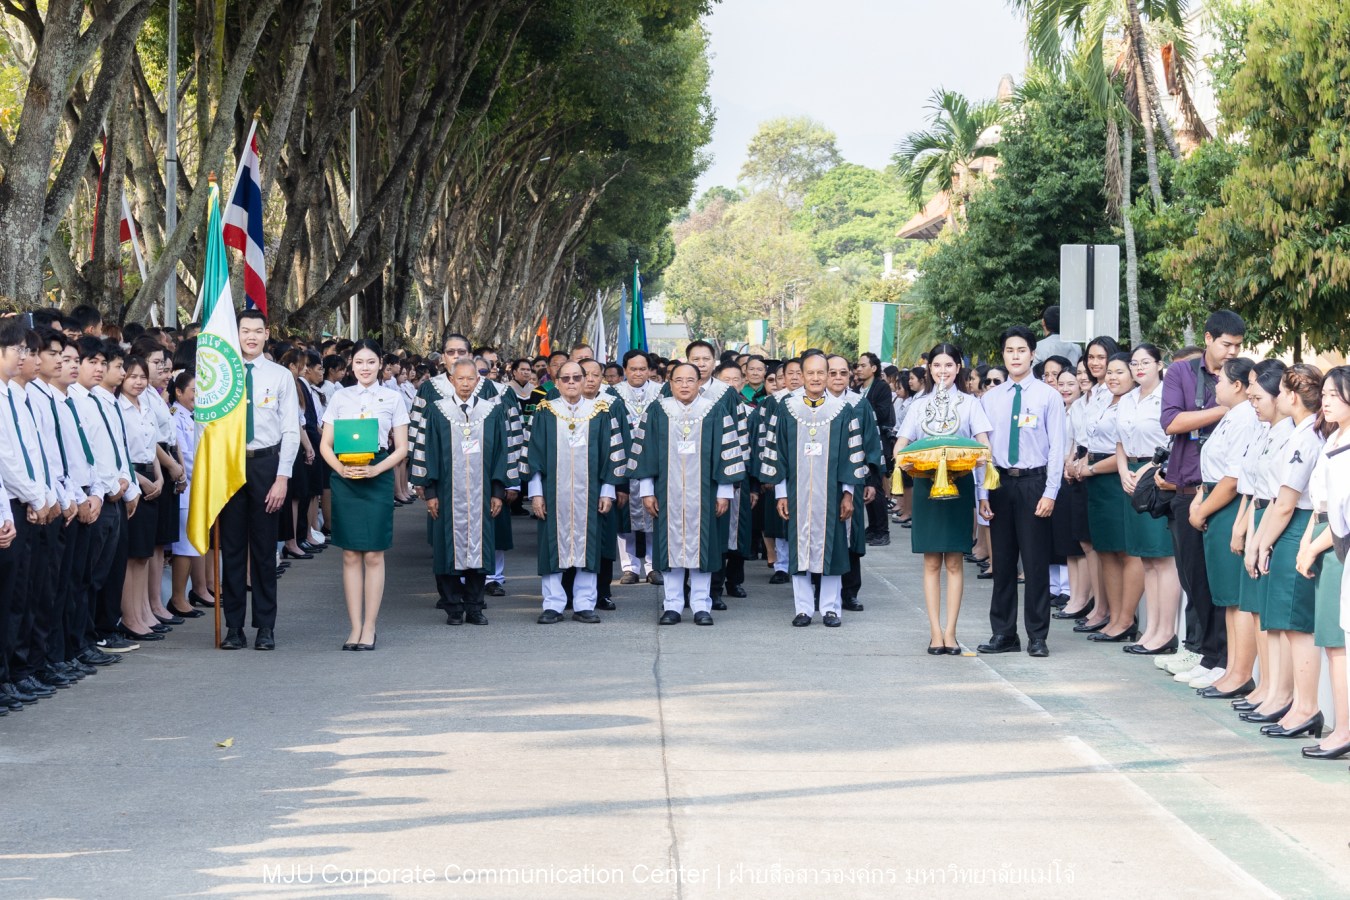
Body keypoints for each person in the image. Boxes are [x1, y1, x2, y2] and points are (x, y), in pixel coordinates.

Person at [1161, 311, 1246, 690]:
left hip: (1222, 492)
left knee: (1220, 585)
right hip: (1185, 486)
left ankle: (1219, 659)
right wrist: (1223, 409)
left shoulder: (1244, 373)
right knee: (1193, 578)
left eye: (1238, 346)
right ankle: (1205, 653)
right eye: (1226, 344)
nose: (1232, 352)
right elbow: (1173, 423)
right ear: (1208, 339)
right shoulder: (1182, 372)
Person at [894, 343, 992, 654]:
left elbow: (985, 450)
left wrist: (979, 486)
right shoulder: (918, 406)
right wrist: (911, 463)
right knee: (931, 561)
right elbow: (900, 447)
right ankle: (935, 632)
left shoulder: (970, 404)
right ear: (929, 369)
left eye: (949, 365)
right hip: (926, 486)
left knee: (954, 561)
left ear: (958, 368)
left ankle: (951, 632)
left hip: (960, 486)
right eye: (938, 365)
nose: (943, 371)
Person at [757, 352, 868, 627]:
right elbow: (778, 454)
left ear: (828, 374)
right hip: (797, 494)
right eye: (811, 373)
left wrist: (848, 494)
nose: (817, 378)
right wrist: (781, 494)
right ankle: (803, 609)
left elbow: (851, 456)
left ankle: (831, 608)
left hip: (830, 495)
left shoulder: (843, 410)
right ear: (802, 376)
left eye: (822, 372)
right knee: (800, 550)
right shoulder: (787, 409)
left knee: (833, 549)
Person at [1243, 365, 1325, 736]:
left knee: (1295, 623)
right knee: (1282, 621)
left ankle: (1305, 706)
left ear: (1291, 396)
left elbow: (1286, 502)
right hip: (1285, 524)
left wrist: (1259, 542)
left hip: (1295, 525)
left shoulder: (1306, 436)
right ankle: (1286, 698)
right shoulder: (1301, 432)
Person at [630, 361, 745, 625]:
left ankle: (701, 605)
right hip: (667, 495)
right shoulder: (658, 410)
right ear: (670, 383)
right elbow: (646, 452)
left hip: (705, 496)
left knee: (702, 550)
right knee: (670, 551)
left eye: (689, 380)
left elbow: (726, 454)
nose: (684, 385)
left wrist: (724, 493)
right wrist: (646, 491)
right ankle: (672, 605)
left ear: (698, 383)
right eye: (678, 380)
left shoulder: (714, 410)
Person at [976, 325, 1066, 657]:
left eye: (1021, 350)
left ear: (1032, 354)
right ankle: (1003, 633)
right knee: (1002, 563)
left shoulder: (1048, 396)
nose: (1016, 356)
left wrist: (1050, 492)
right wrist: (982, 495)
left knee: (1035, 562)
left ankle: (1038, 635)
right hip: (999, 482)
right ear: (1003, 356)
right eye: (1009, 351)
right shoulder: (989, 399)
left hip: (1034, 483)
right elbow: (981, 451)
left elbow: (1057, 447)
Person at [218, 309, 300, 651]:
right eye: (244, 330)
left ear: (267, 334)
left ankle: (265, 626)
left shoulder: (280, 376)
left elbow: (291, 429)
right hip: (229, 466)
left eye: (257, 331)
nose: (251, 336)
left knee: (265, 553)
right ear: (235, 334)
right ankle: (233, 627)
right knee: (232, 551)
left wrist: (282, 478)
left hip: (266, 465)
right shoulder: (221, 375)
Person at [320, 339, 410, 649]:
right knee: (349, 554)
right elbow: (325, 445)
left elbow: (402, 448)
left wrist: (377, 469)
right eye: (359, 362)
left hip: (377, 474)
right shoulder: (341, 398)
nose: (365, 368)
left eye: (371, 362)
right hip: (345, 475)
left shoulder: (392, 398)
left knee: (373, 553)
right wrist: (341, 470)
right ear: (351, 366)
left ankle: (370, 626)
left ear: (380, 365)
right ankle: (354, 627)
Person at [526, 361, 625, 624]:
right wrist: (536, 494)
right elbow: (533, 455)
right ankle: (553, 604)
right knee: (551, 548)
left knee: (588, 546)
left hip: (590, 494)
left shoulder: (600, 412)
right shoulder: (545, 411)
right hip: (552, 494)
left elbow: (610, 456)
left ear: (585, 381)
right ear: (556, 382)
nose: (571, 382)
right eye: (565, 378)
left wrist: (607, 491)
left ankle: (584, 604)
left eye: (576, 378)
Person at [1190, 358, 1262, 695]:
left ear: (1237, 385)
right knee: (1227, 599)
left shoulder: (1246, 417)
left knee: (1236, 597)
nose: (1214, 385)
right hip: (1215, 503)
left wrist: (1202, 509)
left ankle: (1242, 672)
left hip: (1228, 505)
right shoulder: (1232, 415)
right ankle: (1233, 668)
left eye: (1219, 380)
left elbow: (1232, 478)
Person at [1294, 367, 1350, 757]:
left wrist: (1314, 548)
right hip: (1323, 543)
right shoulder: (1334, 439)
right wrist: (1305, 545)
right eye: (1325, 393)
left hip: (1337, 549)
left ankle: (1344, 730)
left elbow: (1343, 516)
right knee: (1332, 644)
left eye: (1335, 394)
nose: (1327, 400)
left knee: (1337, 644)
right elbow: (1320, 507)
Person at [1115, 344, 1182, 655]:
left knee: (1163, 557)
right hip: (1130, 474)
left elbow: (1172, 441)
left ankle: (1165, 632)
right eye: (1134, 363)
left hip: (1156, 474)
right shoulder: (1127, 399)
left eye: (1145, 362)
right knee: (1146, 559)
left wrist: (1146, 469)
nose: (1139, 368)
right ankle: (1150, 629)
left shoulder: (1168, 395)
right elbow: (1119, 441)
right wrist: (1122, 471)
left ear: (1159, 364)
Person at [614, 350, 663, 585]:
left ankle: (653, 566)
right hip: (623, 460)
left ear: (650, 370)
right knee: (625, 519)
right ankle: (629, 567)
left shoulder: (661, 392)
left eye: (642, 369)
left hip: (652, 460)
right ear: (625, 370)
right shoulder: (613, 394)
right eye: (633, 369)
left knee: (653, 513)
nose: (638, 373)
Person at [166, 370, 210, 618]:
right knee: (184, 546)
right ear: (179, 392)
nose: (197, 395)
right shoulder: (175, 416)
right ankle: (178, 598)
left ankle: (188, 594)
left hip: (197, 489)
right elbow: (186, 457)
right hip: (186, 488)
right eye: (194, 390)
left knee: (193, 545)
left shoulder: (193, 416)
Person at [853, 351, 896, 547]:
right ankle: (873, 527)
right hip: (860, 443)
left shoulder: (881, 388)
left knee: (876, 486)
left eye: (863, 365)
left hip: (878, 442)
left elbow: (883, 412)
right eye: (857, 366)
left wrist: (863, 410)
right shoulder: (857, 389)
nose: (858, 369)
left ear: (874, 368)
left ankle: (882, 531)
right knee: (866, 485)